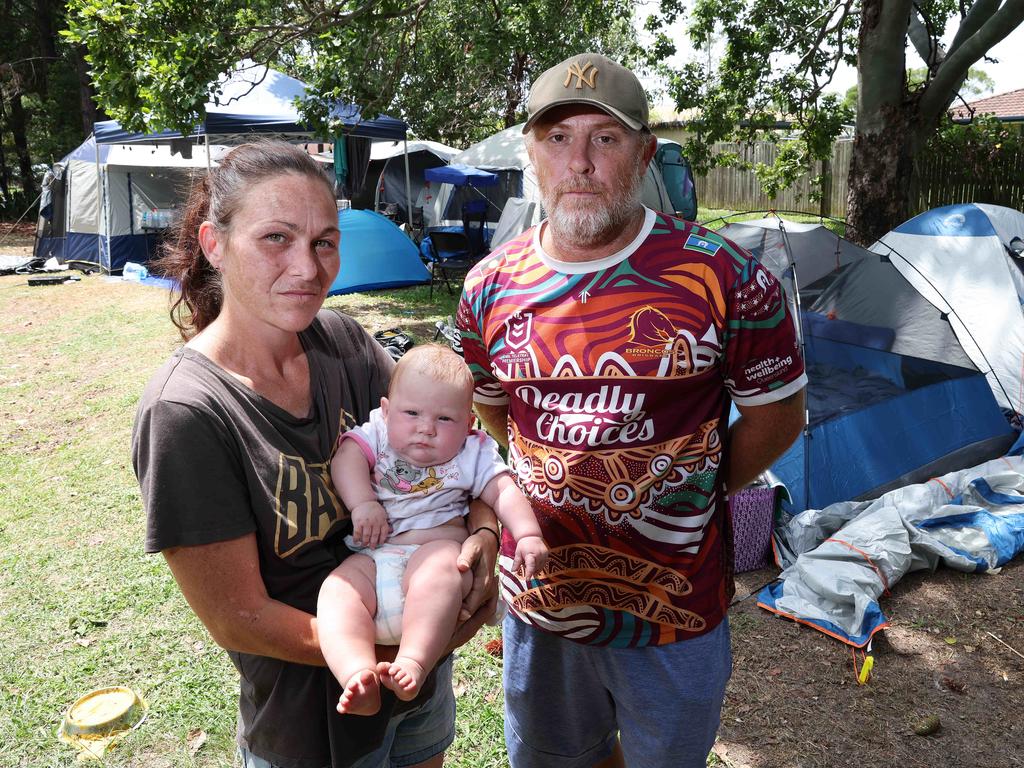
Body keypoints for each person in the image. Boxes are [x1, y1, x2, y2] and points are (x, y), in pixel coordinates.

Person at [456, 53, 808, 768]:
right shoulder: (489, 287)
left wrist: (690, 488)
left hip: (676, 609)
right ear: (531, 153)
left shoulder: (723, 277)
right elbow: (497, 414)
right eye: (558, 139)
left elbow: (778, 418)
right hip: (543, 603)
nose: (579, 162)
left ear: (644, 153)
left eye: (605, 139)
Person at [131, 141, 500, 768]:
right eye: (276, 237)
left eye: (324, 241)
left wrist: (486, 534)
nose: (308, 267)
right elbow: (239, 618)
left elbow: (450, 448)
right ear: (214, 244)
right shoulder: (188, 411)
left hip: (418, 691)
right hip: (311, 729)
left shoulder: (345, 343)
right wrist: (386, 651)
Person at [319, 344, 548, 716]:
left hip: (433, 552)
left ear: (469, 424)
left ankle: (412, 664)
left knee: (442, 571)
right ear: (387, 410)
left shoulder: (473, 451)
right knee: (337, 592)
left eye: (445, 419)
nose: (426, 428)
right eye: (411, 413)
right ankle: (357, 674)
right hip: (374, 557)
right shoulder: (376, 433)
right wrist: (363, 503)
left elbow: (503, 489)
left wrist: (527, 534)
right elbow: (346, 457)